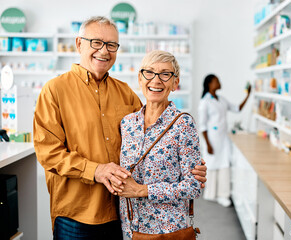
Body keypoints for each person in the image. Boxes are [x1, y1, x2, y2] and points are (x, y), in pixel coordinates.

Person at [33, 16, 207, 240]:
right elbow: (48, 153)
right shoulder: (54, 91)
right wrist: (96, 170)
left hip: (121, 214)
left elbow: (149, 139)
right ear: (79, 44)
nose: (104, 51)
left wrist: (191, 167)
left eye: (111, 45)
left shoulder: (125, 92)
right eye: (96, 42)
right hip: (76, 214)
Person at [110, 50, 201, 239]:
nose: (156, 80)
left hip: (167, 231)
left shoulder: (183, 124)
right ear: (140, 78)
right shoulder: (127, 124)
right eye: (149, 72)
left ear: (175, 83)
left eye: (165, 74)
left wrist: (142, 190)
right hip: (130, 228)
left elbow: (194, 186)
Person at [198, 74, 251, 207]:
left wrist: (248, 95)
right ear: (210, 84)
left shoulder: (221, 99)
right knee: (212, 166)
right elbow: (202, 126)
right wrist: (208, 144)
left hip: (223, 139)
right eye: (217, 81)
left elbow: (237, 108)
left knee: (224, 165)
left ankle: (223, 195)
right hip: (212, 139)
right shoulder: (205, 102)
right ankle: (211, 194)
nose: (219, 82)